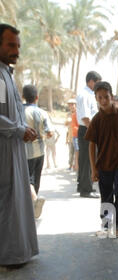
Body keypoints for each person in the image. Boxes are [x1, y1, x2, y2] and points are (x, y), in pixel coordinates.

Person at [0, 24, 39, 267]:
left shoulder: (6, 74)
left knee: (13, 199)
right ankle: (8, 254)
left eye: (18, 46)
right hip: (4, 150)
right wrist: (18, 129)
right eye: (11, 45)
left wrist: (23, 128)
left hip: (13, 148)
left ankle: (15, 252)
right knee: (6, 200)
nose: (16, 50)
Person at [85, 81, 118, 237]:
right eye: (100, 98)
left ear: (112, 96)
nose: (103, 100)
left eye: (106, 97)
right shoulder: (96, 120)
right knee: (106, 196)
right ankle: (106, 225)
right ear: (96, 99)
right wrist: (93, 168)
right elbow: (91, 145)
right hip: (103, 164)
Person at [23, 84, 53, 219]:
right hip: (40, 151)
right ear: (37, 97)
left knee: (27, 178)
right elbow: (50, 132)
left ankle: (34, 202)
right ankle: (34, 203)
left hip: (25, 151)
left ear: (23, 97)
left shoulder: (20, 112)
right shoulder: (43, 112)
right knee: (36, 178)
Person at [76, 71, 101, 198]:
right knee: (87, 160)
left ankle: (83, 185)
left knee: (86, 159)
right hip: (87, 129)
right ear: (91, 81)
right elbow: (86, 117)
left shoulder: (89, 94)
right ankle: (86, 189)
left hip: (87, 129)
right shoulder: (85, 95)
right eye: (97, 82)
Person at [65, 98, 79, 171]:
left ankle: (75, 166)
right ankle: (70, 165)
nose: (71, 106)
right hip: (70, 136)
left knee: (77, 152)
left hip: (77, 136)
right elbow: (65, 125)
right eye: (70, 105)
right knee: (71, 152)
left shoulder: (78, 113)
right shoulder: (68, 114)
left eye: (73, 104)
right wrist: (66, 138)